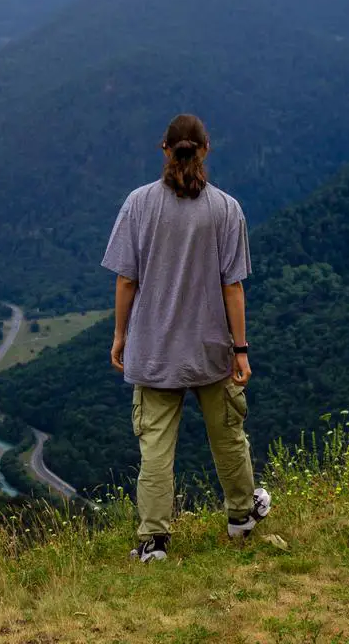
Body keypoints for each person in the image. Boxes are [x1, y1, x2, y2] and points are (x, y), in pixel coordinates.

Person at [101, 113, 271, 564]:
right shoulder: (226, 209)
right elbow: (232, 287)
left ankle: (154, 541)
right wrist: (241, 349)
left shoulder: (138, 204)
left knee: (155, 449)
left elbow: (125, 281)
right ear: (206, 150)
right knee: (228, 435)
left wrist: (121, 336)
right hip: (211, 349)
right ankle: (240, 517)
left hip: (154, 350)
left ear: (164, 149)